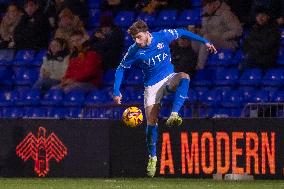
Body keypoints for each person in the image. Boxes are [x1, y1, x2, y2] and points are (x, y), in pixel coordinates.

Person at [112, 20, 216, 177]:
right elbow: (120, 69)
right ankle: (152, 157)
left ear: (147, 32)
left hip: (168, 78)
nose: (137, 41)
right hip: (152, 88)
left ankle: (174, 114)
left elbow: (183, 32)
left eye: (139, 37)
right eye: (135, 39)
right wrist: (116, 91)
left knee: (184, 76)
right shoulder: (134, 50)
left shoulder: (163, 36)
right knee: (151, 123)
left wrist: (205, 41)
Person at [191, 0, 242, 69]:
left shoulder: (226, 14)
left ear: (214, 4)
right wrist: (198, 31)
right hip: (211, 42)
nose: (204, 9)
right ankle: (193, 62)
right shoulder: (205, 15)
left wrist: (221, 36)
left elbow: (238, 30)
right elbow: (206, 30)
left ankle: (200, 66)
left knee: (207, 37)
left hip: (228, 42)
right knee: (194, 37)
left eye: (206, 6)